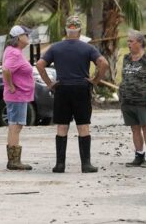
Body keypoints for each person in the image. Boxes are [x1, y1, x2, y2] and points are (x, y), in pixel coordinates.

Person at [36, 15, 109, 173]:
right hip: (81, 89)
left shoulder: (55, 47)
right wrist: (95, 80)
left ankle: (60, 165)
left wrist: (49, 83)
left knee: (62, 126)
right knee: (83, 126)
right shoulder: (87, 48)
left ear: (66, 30)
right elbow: (104, 63)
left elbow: (40, 64)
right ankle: (86, 164)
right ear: (80, 30)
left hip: (62, 89)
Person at [119, 29, 146, 168]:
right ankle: (139, 155)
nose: (128, 44)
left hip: (143, 100)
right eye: (128, 41)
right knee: (134, 128)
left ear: (140, 43)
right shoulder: (126, 58)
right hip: (127, 100)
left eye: (131, 41)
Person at [2, 25, 34, 170]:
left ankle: (13, 160)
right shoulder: (14, 53)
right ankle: (14, 161)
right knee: (16, 126)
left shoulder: (13, 51)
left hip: (18, 95)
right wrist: (11, 86)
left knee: (14, 125)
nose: (28, 37)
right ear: (19, 37)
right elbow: (6, 69)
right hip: (17, 95)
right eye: (26, 34)